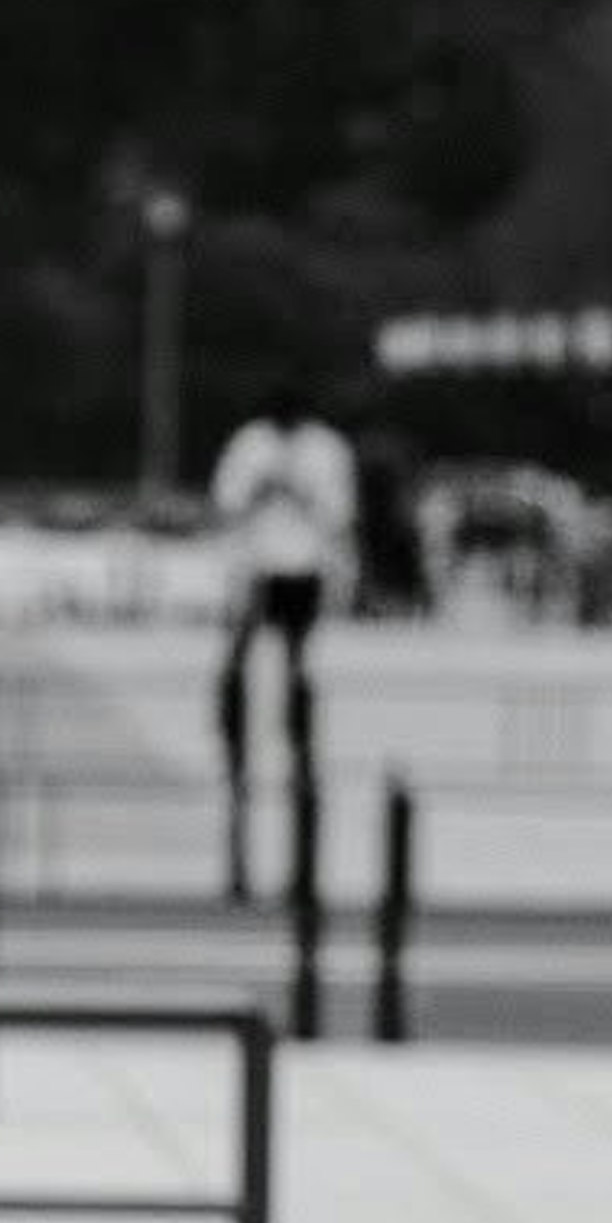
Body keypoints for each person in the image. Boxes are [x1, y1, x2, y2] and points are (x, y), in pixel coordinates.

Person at [207, 376, 359, 880]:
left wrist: (300, 491)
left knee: (296, 657)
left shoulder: (325, 449)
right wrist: (261, 488)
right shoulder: (251, 445)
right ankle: (235, 719)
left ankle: (296, 722)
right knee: (241, 654)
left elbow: (338, 511)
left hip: (302, 566)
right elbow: (228, 501)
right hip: (256, 566)